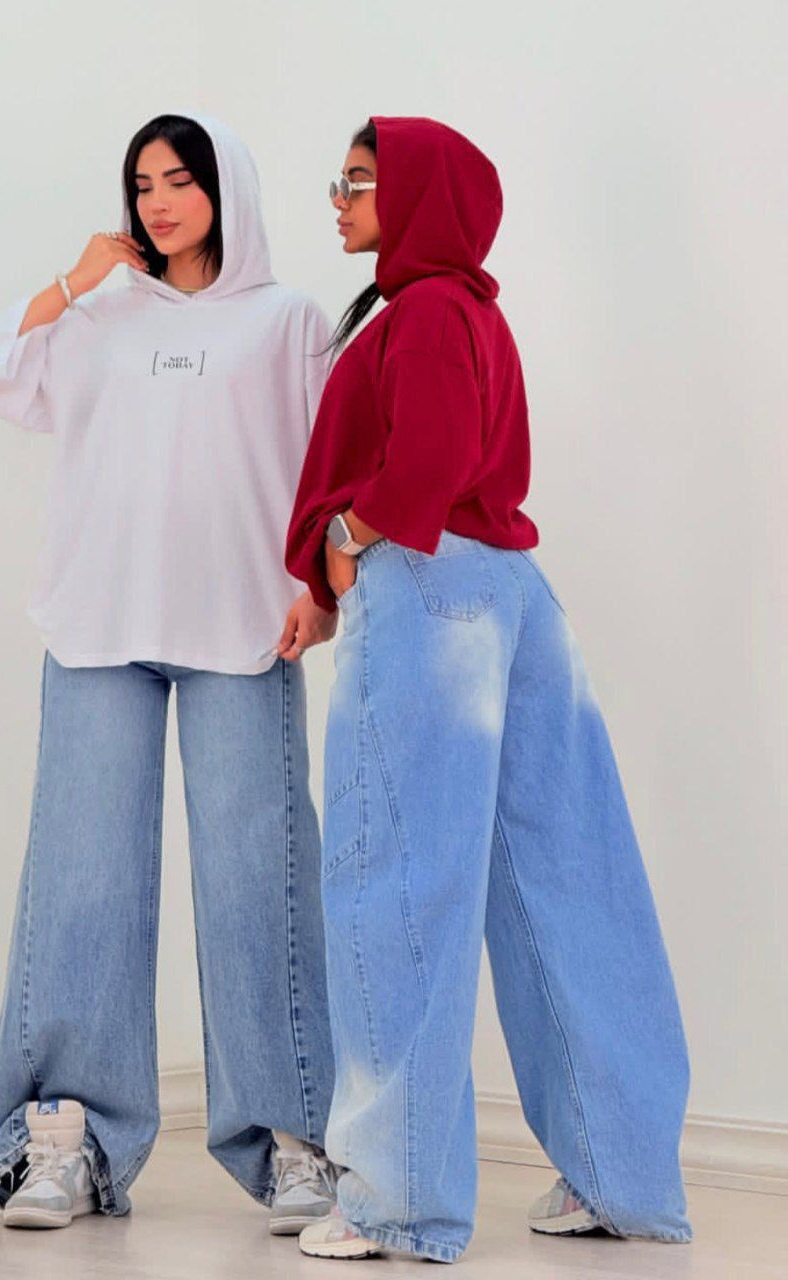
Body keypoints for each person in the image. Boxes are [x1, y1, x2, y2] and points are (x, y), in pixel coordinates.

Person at [284, 116, 692, 1263]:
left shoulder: (417, 311)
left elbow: (420, 467)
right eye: (339, 181)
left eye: (359, 182)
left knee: (396, 882)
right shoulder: (472, 311)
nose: (339, 200)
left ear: (418, 197)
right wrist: (333, 575)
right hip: (515, 594)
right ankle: (623, 1174)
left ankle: (396, 1199)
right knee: (567, 877)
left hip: (426, 596)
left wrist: (346, 537)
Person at [0, 111, 339, 1232]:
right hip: (97, 624)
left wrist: (320, 591)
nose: (158, 201)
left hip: (245, 629)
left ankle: (294, 1141)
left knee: (257, 882)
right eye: (142, 183)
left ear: (227, 190)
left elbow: (331, 465)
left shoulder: (288, 321)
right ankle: (62, 1140)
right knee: (83, 882)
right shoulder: (98, 318)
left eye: (180, 179)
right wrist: (71, 283)